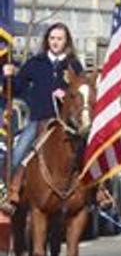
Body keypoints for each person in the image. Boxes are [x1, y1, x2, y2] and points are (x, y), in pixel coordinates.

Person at [0, 22, 84, 215]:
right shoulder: (35, 63)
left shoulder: (73, 65)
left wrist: (67, 93)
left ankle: (99, 193)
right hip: (39, 120)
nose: (55, 42)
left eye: (59, 39)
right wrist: (9, 78)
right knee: (18, 153)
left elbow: (82, 89)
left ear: (66, 41)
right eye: (52, 38)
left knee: (86, 153)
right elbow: (16, 90)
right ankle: (11, 194)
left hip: (65, 124)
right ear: (47, 40)